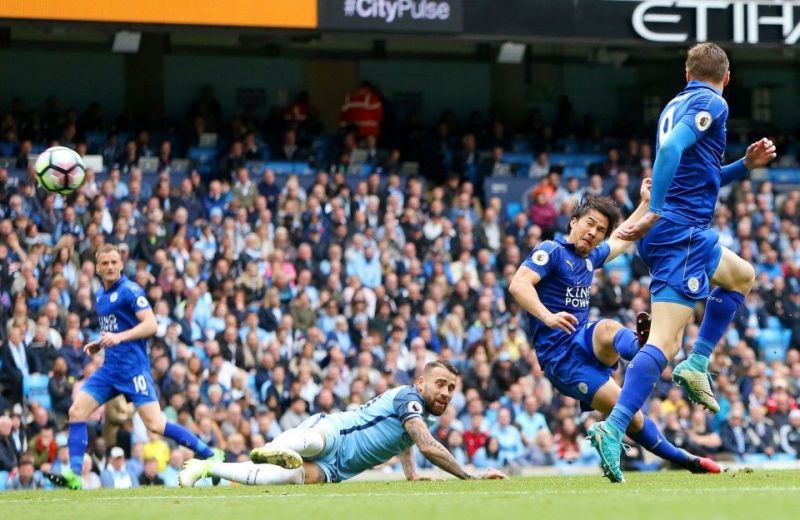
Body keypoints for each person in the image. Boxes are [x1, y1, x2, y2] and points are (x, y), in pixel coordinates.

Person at [587, 42, 777, 483]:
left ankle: (698, 362)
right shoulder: (713, 102)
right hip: (680, 232)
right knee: (664, 342)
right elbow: (671, 150)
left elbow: (700, 173)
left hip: (679, 232)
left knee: (741, 276)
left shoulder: (678, 103)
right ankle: (614, 428)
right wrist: (653, 208)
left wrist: (744, 166)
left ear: (686, 72)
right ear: (726, 78)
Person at [509, 184, 720, 482]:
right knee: (632, 417)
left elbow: (623, 235)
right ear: (574, 222)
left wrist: (646, 203)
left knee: (608, 326)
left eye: (600, 230)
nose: (593, 232)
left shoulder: (590, 259)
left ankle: (642, 348)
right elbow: (518, 284)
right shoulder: (551, 251)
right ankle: (685, 459)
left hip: (582, 338)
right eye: (589, 224)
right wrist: (548, 316)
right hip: (561, 359)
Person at [46, 244, 222, 490]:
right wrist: (101, 343)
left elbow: (151, 325)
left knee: (156, 425)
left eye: (113, 262)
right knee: (76, 412)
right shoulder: (101, 297)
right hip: (110, 370)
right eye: (104, 263)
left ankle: (210, 453)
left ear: (120, 264)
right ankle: (75, 476)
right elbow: (116, 329)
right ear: (97, 268)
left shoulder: (130, 290)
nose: (109, 267)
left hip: (134, 371)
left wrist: (118, 338)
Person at [178, 361, 507, 486]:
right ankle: (272, 448)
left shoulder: (421, 413)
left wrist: (411, 474)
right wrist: (470, 476)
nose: (447, 392)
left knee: (281, 479)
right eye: (441, 384)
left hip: (337, 469)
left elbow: (408, 438)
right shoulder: (410, 397)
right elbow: (424, 444)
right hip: (338, 431)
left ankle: (206, 467)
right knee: (313, 442)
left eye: (451, 387)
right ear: (421, 383)